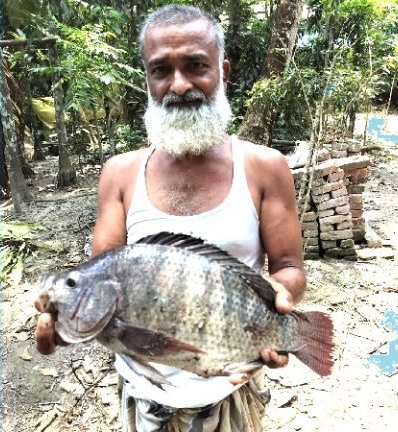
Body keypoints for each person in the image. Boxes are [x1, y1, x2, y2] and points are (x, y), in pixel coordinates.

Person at [34, 4, 306, 431]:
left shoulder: (265, 167)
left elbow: (289, 267)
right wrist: (61, 328)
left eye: (196, 66)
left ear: (223, 71)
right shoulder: (119, 174)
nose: (179, 86)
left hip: (231, 387)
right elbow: (104, 283)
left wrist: (278, 295)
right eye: (161, 70)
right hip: (145, 396)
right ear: (147, 79)